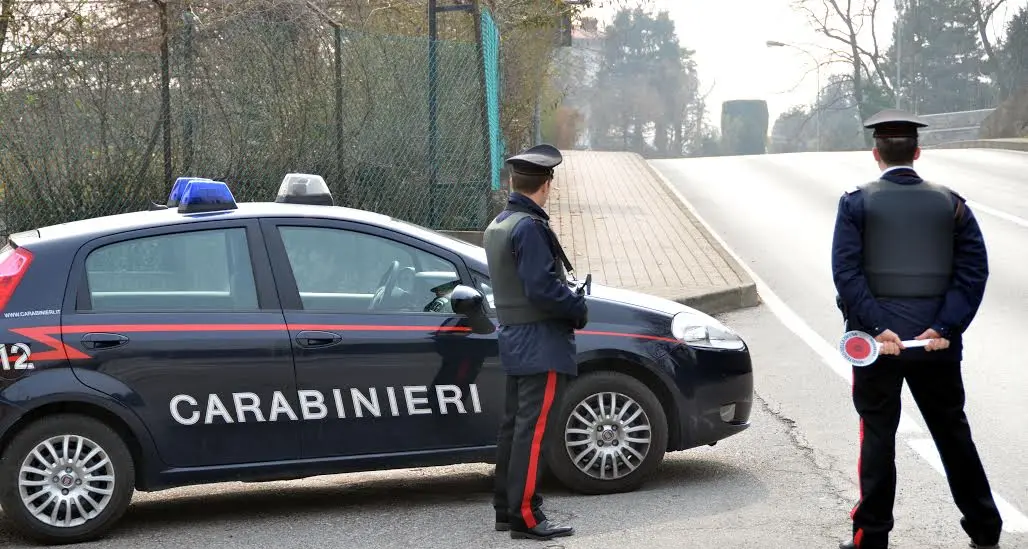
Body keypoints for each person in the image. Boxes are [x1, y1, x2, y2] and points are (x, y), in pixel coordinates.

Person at [832, 109, 1003, 549]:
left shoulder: (855, 202)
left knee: (877, 437)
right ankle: (985, 529)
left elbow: (847, 274)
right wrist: (945, 325)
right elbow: (974, 271)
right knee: (952, 433)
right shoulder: (951, 203)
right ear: (918, 152)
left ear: (876, 154)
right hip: (936, 346)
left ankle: (871, 537)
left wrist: (879, 326)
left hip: (878, 347)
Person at [483, 143, 588, 541]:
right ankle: (526, 515)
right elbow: (543, 289)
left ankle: (506, 509)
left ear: (513, 181)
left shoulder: (501, 223)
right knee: (534, 430)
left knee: (515, 429)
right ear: (547, 185)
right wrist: (577, 308)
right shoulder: (529, 227)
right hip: (541, 340)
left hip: (516, 338)